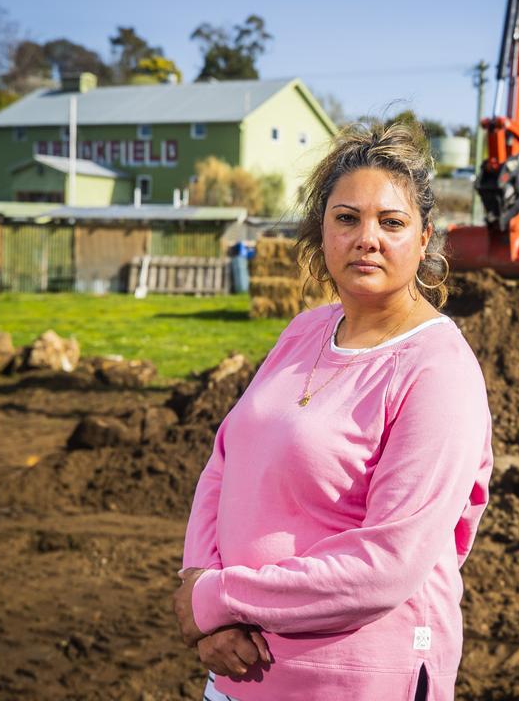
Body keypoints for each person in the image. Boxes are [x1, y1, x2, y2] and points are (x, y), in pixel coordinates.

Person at [171, 121, 495, 701]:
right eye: (346, 218)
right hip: (240, 673)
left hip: (356, 680)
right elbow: (225, 459)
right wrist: (203, 584)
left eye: (391, 222)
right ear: (322, 232)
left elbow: (386, 565)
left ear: (425, 241)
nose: (367, 238)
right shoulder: (306, 330)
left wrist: (219, 598)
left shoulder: (438, 370)